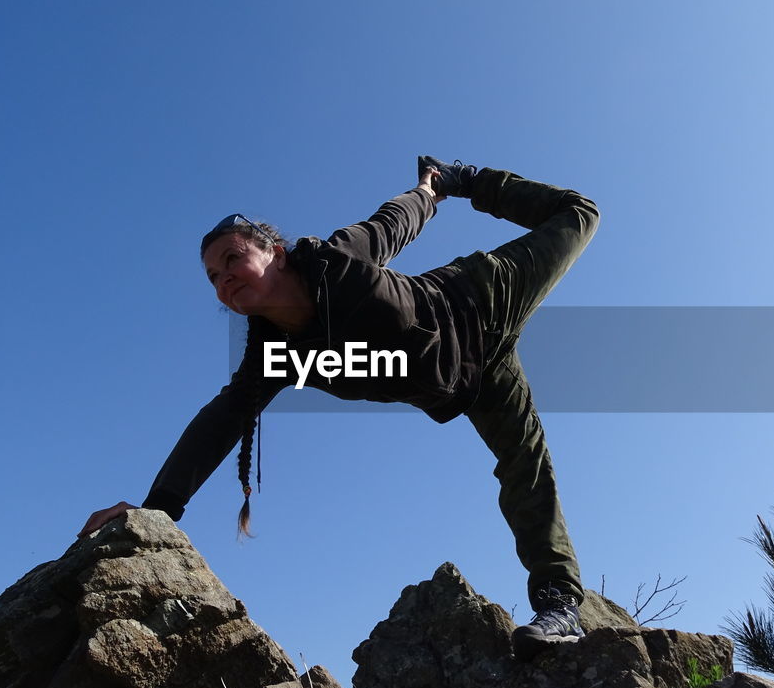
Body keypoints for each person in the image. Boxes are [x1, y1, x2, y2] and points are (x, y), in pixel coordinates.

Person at [80, 158, 599, 658]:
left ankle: (468, 173)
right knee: (523, 463)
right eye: (213, 277)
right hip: (478, 379)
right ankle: (561, 610)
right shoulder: (274, 359)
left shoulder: (338, 262)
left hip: (480, 298)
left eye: (232, 260)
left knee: (579, 215)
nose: (223, 280)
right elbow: (221, 421)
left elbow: (391, 225)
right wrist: (156, 513)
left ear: (275, 253)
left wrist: (436, 190)